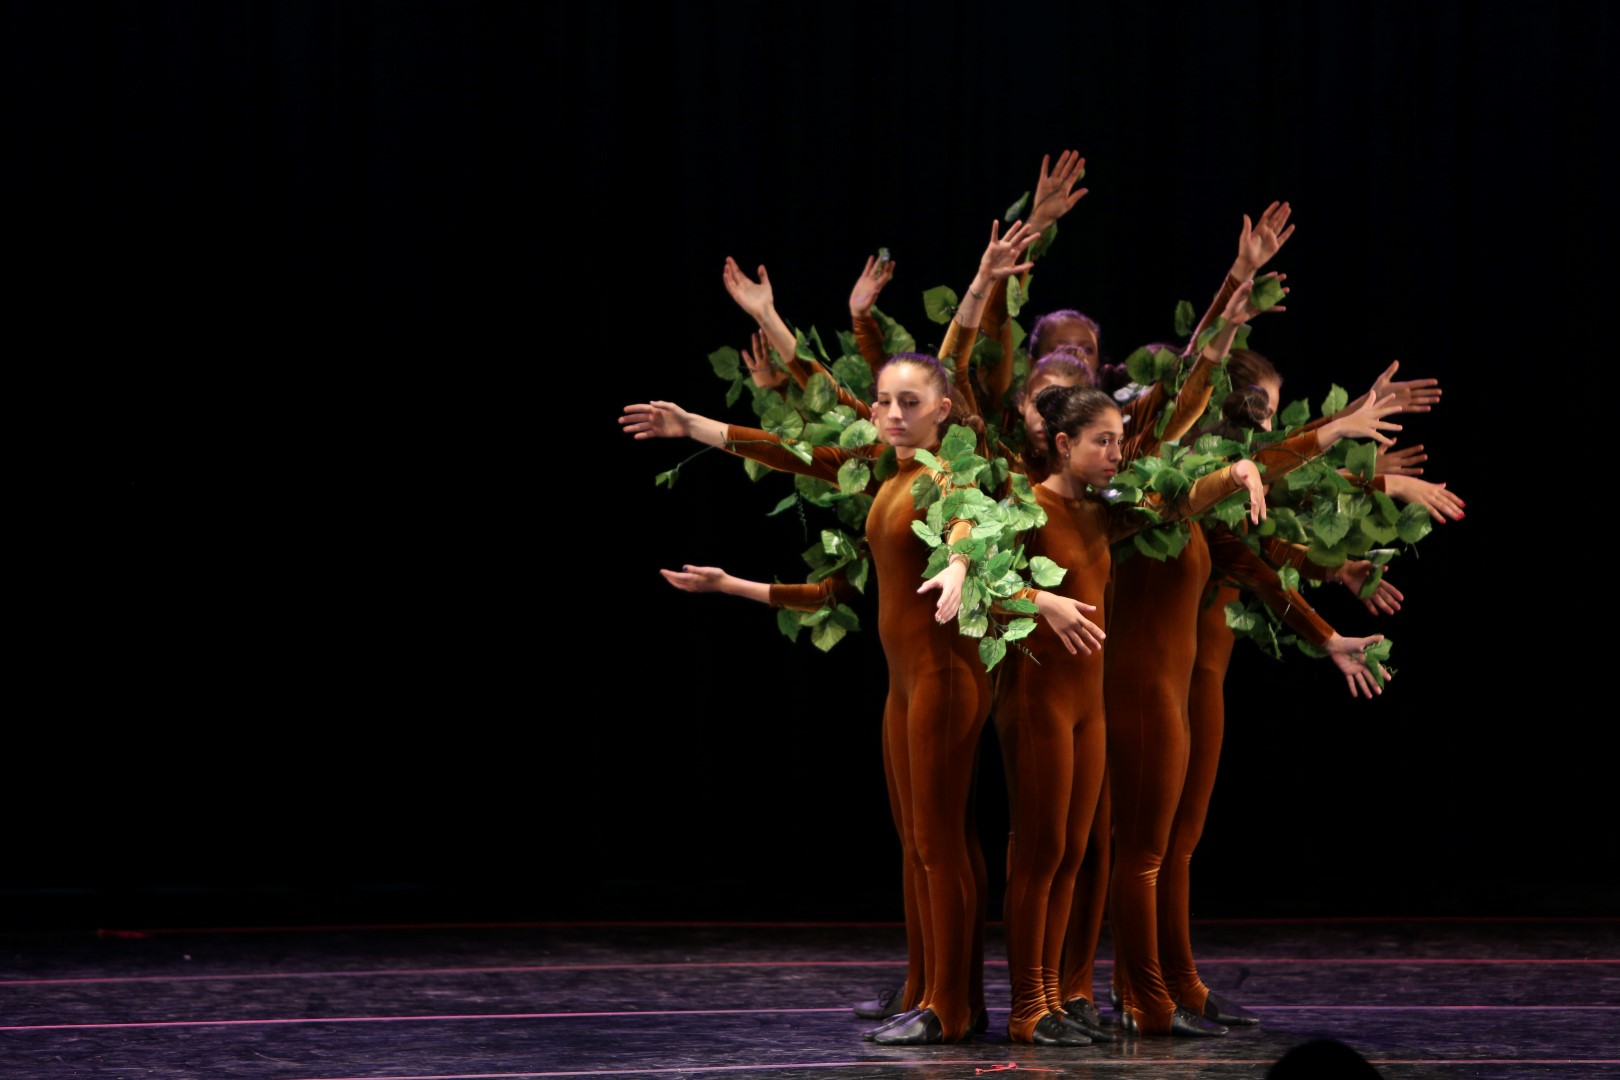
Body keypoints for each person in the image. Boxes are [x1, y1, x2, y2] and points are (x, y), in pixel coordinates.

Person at [622, 219, 1103, 1045]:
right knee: (922, 844)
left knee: (940, 844)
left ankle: (951, 1007)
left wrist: (960, 565)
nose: (888, 414)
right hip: (907, 683)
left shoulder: (947, 470)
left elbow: (964, 522)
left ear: (943, 411)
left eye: (907, 403)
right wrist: (696, 424)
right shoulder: (888, 468)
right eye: (883, 402)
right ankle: (944, 994)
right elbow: (798, 447)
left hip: (947, 678)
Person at [995, 382, 1271, 1046]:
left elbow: (1175, 504)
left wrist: (1236, 472)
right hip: (1037, 701)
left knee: (1072, 854)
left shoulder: (1101, 512)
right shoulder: (1024, 508)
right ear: (1064, 444)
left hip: (1087, 705)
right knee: (1040, 853)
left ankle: (1055, 998)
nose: (1118, 454)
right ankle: (1028, 1007)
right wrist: (1041, 600)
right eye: (1103, 442)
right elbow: (980, 581)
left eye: (1120, 440)